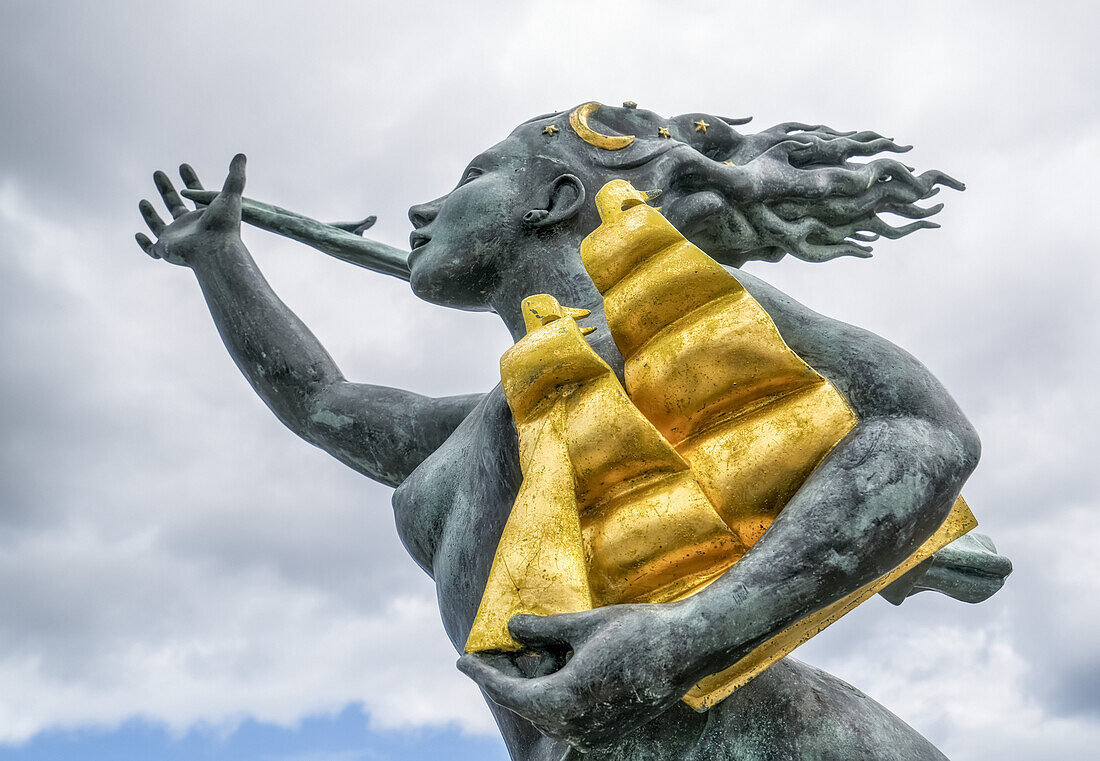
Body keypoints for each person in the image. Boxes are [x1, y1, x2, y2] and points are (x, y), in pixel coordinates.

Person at [135, 103, 1009, 760]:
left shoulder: (667, 316)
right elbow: (323, 402)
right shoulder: (500, 414)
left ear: (553, 199)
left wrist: (688, 632)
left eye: (470, 177)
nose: (425, 210)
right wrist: (221, 258)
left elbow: (924, 431)